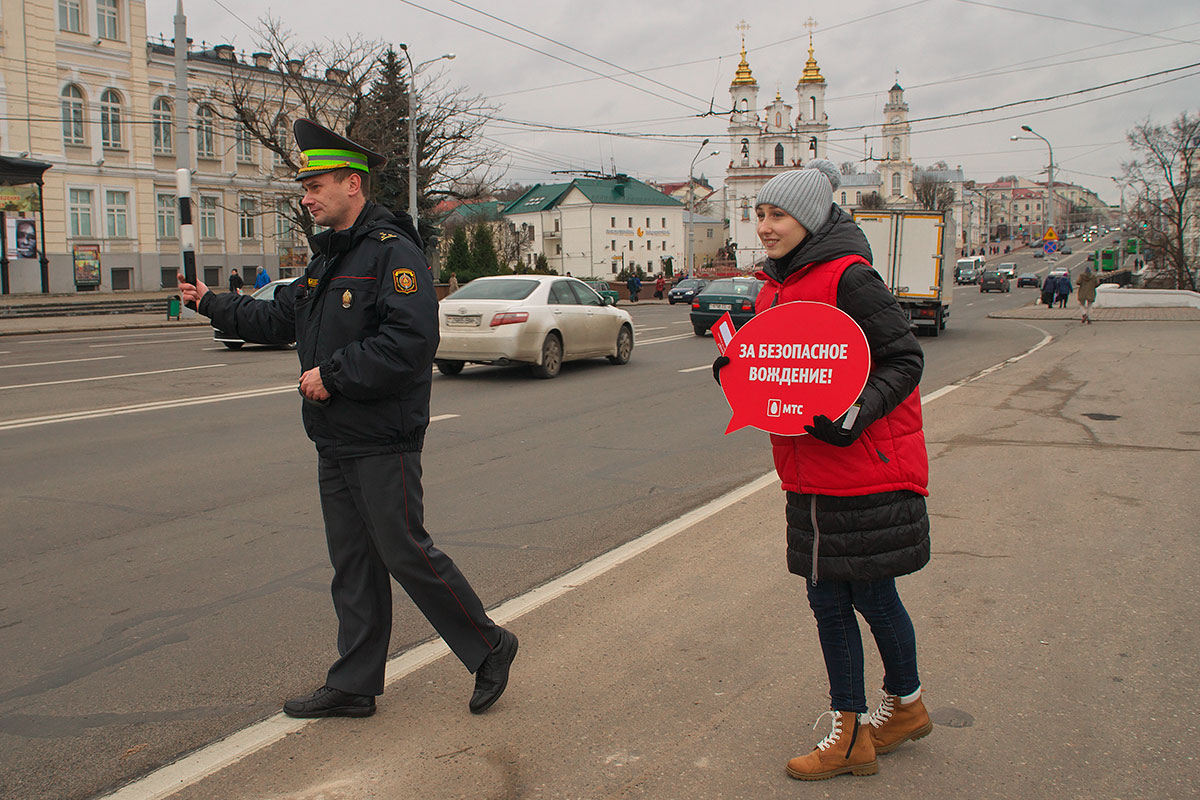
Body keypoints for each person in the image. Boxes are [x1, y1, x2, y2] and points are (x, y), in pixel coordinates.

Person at [177, 118, 517, 720]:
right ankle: (355, 683)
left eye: (315, 184)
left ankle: (490, 645)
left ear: (352, 185)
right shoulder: (328, 259)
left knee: (405, 550)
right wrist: (211, 302)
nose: (306, 196)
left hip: (382, 436)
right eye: (305, 186)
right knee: (354, 564)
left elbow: (410, 342)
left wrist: (331, 376)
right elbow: (281, 317)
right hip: (336, 439)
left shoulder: (393, 253)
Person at [713, 160, 932, 781]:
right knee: (847, 592)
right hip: (807, 468)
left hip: (862, 463)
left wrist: (854, 413)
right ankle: (900, 709)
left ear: (808, 219)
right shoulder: (773, 286)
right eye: (759, 214)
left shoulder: (848, 278)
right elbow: (775, 365)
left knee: (848, 593)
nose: (764, 227)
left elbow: (904, 359)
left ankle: (852, 731)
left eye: (777, 215)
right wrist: (736, 369)